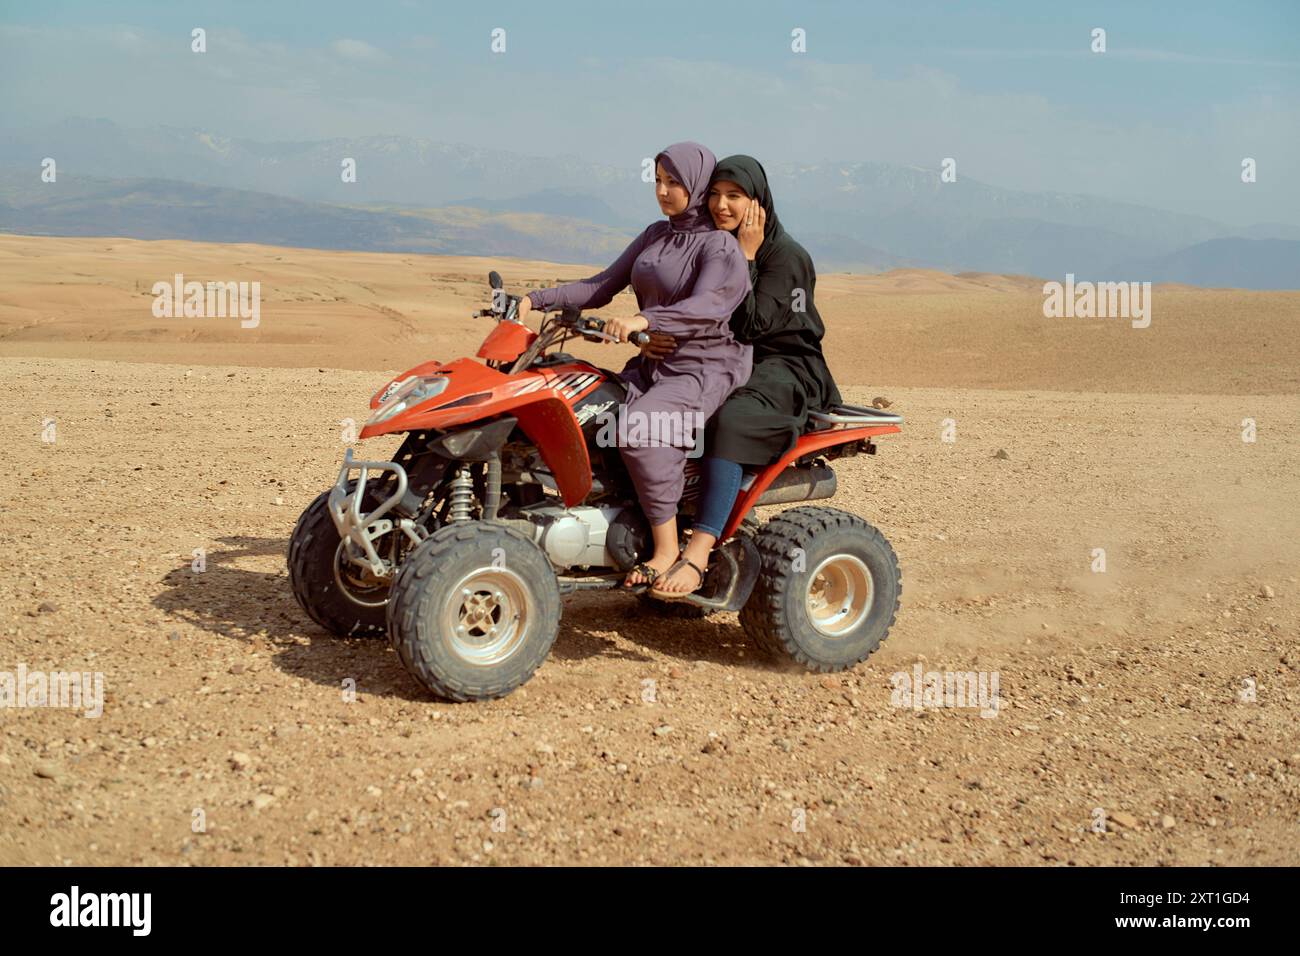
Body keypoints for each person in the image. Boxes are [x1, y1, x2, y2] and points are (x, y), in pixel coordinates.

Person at [516, 142, 753, 589]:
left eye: (674, 183)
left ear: (697, 186)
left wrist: (645, 318)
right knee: (579, 406)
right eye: (658, 181)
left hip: (701, 366)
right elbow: (601, 285)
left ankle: (668, 551)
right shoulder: (654, 235)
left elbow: (707, 307)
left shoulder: (720, 247)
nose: (663, 191)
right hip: (652, 360)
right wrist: (533, 299)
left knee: (640, 429)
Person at [645, 154, 843, 599]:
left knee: (729, 419)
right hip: (734, 358)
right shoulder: (714, 245)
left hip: (786, 366)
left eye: (734, 196)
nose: (721, 205)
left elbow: (751, 326)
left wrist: (748, 257)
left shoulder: (786, 257)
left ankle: (698, 552)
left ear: (758, 201)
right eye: (714, 194)